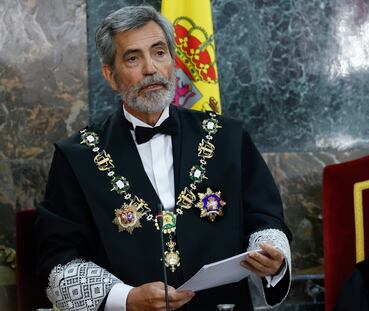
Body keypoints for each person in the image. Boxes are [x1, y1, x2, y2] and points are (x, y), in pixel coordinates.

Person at [36, 5, 292, 311]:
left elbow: (266, 220)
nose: (151, 69)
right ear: (111, 75)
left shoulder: (228, 138)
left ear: (172, 60)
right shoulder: (76, 157)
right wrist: (126, 299)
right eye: (133, 58)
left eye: (159, 53)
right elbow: (58, 261)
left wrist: (273, 256)